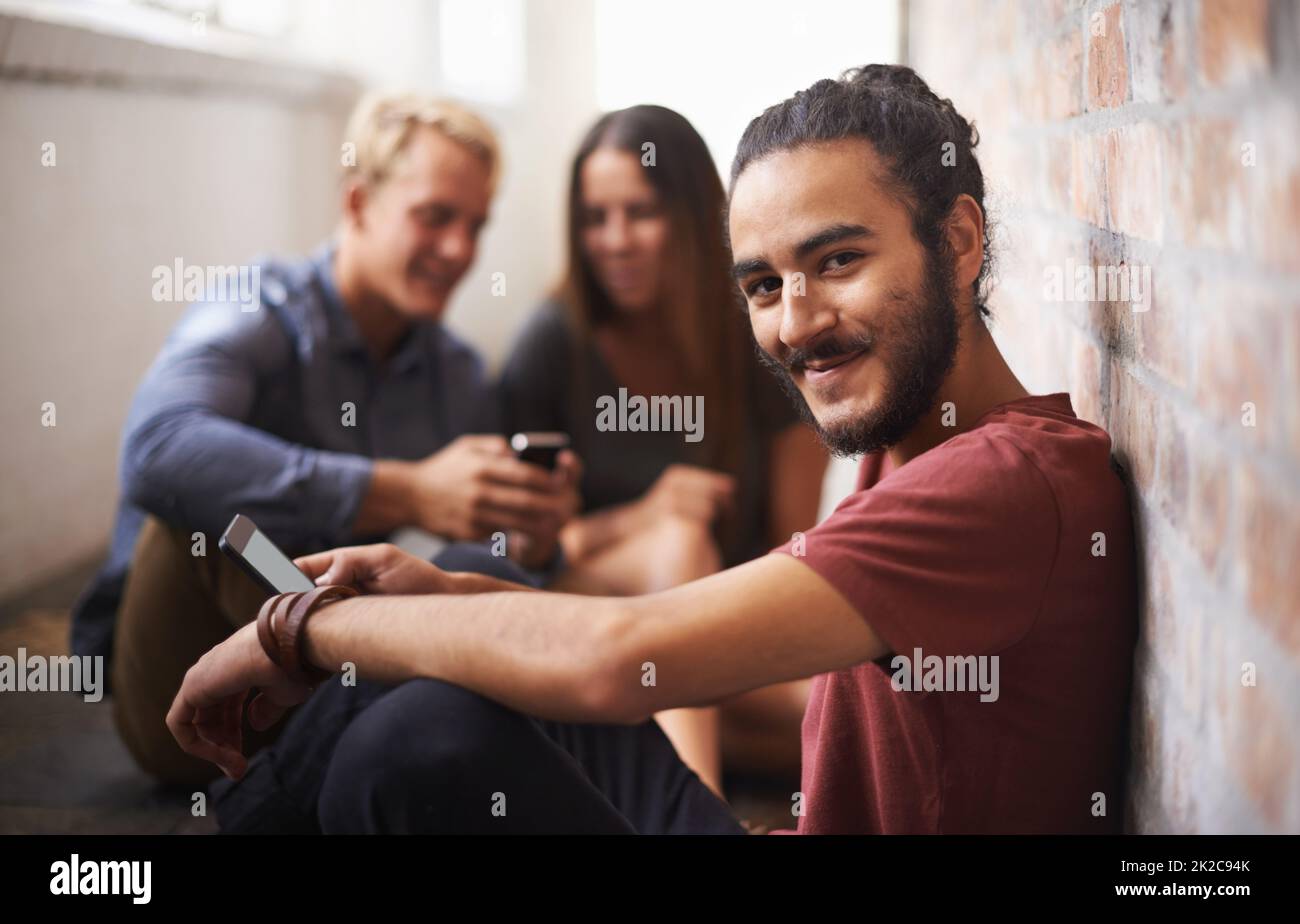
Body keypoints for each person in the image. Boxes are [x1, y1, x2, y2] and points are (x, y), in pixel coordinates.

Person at [171, 65, 1138, 834]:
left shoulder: (1002, 481)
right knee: (446, 582)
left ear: (959, 241)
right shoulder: (914, 440)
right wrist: (441, 592)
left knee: (420, 742)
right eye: (763, 284)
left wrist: (295, 632)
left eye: (838, 259)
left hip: (648, 655)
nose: (796, 322)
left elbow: (616, 654)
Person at [74, 92, 579, 785]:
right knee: (219, 513)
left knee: (471, 572)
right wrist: (406, 490)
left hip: (334, 681)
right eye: (434, 217)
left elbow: (467, 560)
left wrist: (529, 537)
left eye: (475, 225)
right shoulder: (259, 304)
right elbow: (157, 449)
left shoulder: (457, 373)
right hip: (183, 696)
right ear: (357, 204)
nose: (460, 250)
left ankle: (433, 729)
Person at [499, 105, 827, 794]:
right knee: (678, 540)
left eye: (640, 212)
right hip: (581, 616)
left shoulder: (756, 340)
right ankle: (697, 807)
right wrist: (643, 517)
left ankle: (680, 761)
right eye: (595, 217)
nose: (614, 241)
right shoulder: (553, 345)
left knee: (830, 703)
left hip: (719, 638)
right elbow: (516, 556)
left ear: (693, 215)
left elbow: (794, 553)